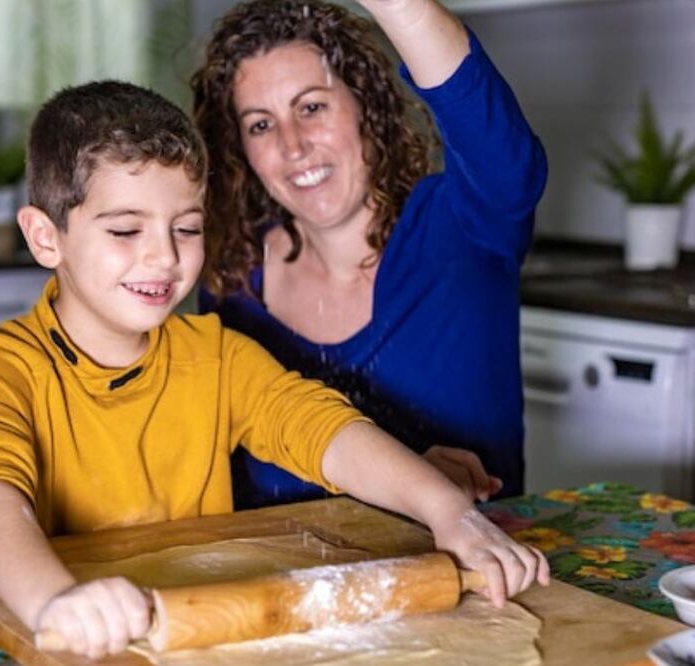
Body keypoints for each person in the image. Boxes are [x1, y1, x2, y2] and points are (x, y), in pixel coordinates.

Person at [0, 79, 548, 661]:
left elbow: (319, 429)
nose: (164, 256)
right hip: (77, 642)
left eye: (186, 227)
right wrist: (54, 601)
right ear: (45, 237)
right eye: (125, 228)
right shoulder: (3, 371)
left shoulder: (215, 356)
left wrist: (447, 512)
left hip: (206, 638)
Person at [193, 0, 547, 507]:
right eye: (261, 125)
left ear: (365, 105)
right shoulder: (233, 276)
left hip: (465, 579)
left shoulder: (461, 229)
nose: (293, 146)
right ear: (240, 149)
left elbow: (507, 157)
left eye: (311, 107)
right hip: (279, 580)